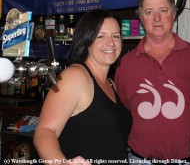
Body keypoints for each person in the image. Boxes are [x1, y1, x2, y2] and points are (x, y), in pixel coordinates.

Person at [115, 0, 190, 164]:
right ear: (141, 18)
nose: (156, 18)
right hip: (139, 160)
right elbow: (123, 112)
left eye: (163, 10)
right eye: (149, 12)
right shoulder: (126, 63)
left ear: (173, 14)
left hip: (187, 161)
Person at [33, 9, 132, 165]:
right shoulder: (74, 76)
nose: (111, 43)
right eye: (101, 36)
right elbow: (45, 131)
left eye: (116, 36)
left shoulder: (111, 84)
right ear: (86, 41)